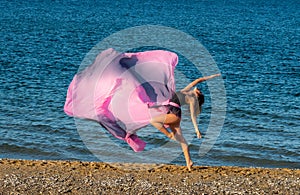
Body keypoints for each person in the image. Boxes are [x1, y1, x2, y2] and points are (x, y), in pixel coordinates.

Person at [150, 74, 221, 171]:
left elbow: (193, 116)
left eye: (200, 91)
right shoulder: (186, 90)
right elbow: (198, 80)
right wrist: (212, 76)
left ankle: (169, 135)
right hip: (172, 111)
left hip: (175, 115)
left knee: (153, 120)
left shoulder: (192, 99)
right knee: (182, 141)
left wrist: (197, 130)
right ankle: (189, 162)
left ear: (198, 95)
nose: (199, 89)